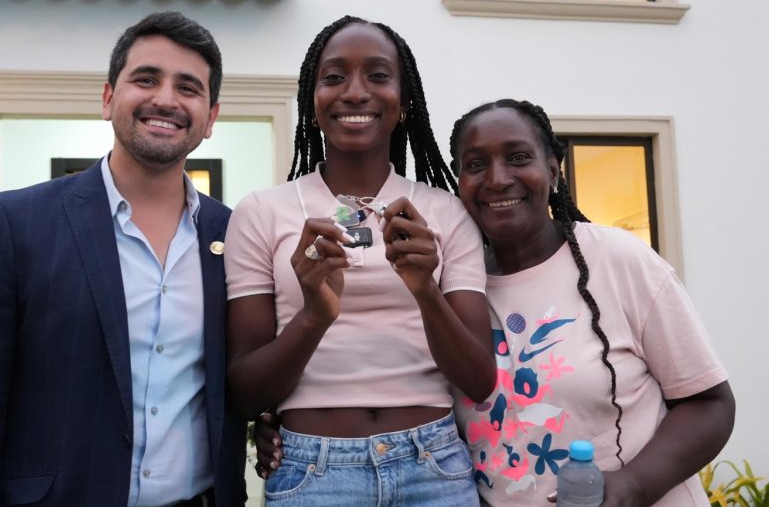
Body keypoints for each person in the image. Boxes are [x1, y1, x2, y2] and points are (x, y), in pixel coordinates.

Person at [257, 98, 736, 506]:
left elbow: (709, 404)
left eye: (518, 158)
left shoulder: (617, 259)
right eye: (475, 164)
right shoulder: (453, 283)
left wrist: (631, 485)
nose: (497, 179)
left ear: (552, 167)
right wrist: (281, 424)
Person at [0, 11, 247, 507]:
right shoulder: (14, 223)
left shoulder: (235, 235)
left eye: (188, 87)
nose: (165, 98)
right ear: (107, 98)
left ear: (210, 118)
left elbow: (245, 378)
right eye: (146, 79)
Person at [225, 16, 496, 506]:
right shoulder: (261, 213)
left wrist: (425, 290)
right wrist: (314, 316)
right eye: (333, 77)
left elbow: (479, 380)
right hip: (313, 470)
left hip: (433, 467)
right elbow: (245, 394)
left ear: (404, 101)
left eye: (377, 75)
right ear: (312, 102)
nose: (354, 92)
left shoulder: (443, 211)